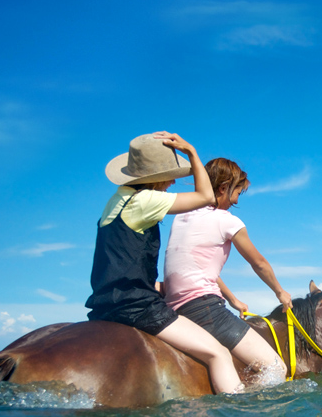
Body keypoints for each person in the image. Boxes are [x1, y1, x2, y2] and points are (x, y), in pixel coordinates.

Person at [85, 132, 243, 394]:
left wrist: (154, 285)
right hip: (136, 308)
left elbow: (119, 264)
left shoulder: (115, 201)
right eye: (169, 174)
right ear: (152, 178)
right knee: (219, 354)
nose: (172, 181)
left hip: (103, 306)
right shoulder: (145, 201)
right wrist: (192, 152)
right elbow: (205, 196)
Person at [162, 157, 291, 386]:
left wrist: (232, 299)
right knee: (276, 369)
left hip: (172, 308)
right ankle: (245, 414)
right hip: (205, 310)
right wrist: (280, 292)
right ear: (223, 188)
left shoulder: (182, 216)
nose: (236, 200)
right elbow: (258, 263)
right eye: (238, 193)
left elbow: (197, 268)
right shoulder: (228, 221)